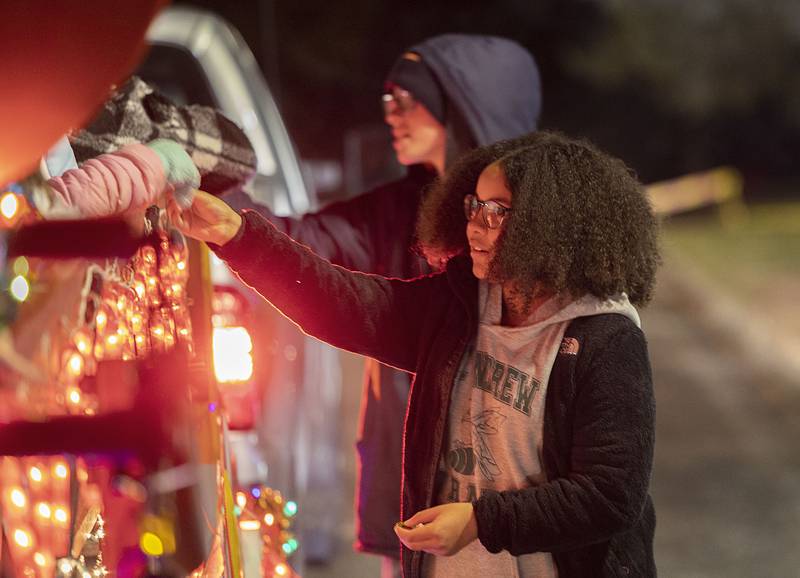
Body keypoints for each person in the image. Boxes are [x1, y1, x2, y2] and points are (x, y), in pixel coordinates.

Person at [171, 130, 660, 577]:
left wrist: (478, 521)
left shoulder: (606, 341)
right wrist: (237, 236)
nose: (475, 225)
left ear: (550, 227)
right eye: (473, 206)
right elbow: (347, 305)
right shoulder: (460, 307)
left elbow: (609, 496)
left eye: (498, 212)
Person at [224, 33, 541, 572]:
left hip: (508, 480)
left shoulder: (538, 228)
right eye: (386, 99)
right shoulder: (399, 210)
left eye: (407, 98)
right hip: (412, 468)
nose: (390, 112)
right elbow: (299, 242)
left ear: (464, 104)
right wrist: (208, 179)